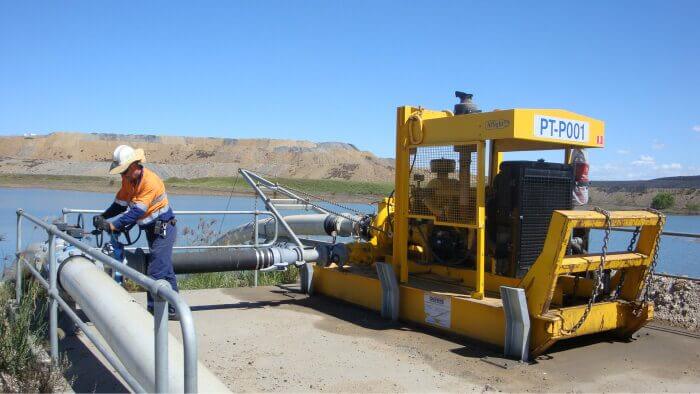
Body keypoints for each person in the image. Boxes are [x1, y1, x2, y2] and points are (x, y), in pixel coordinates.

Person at [93, 145, 180, 320]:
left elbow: (136, 212)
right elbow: (120, 204)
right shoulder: (128, 180)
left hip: (164, 228)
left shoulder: (151, 181)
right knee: (166, 269)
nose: (122, 175)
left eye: (124, 171)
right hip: (151, 228)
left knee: (156, 270)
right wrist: (103, 216)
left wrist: (113, 226)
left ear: (134, 166)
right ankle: (175, 308)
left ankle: (152, 312)